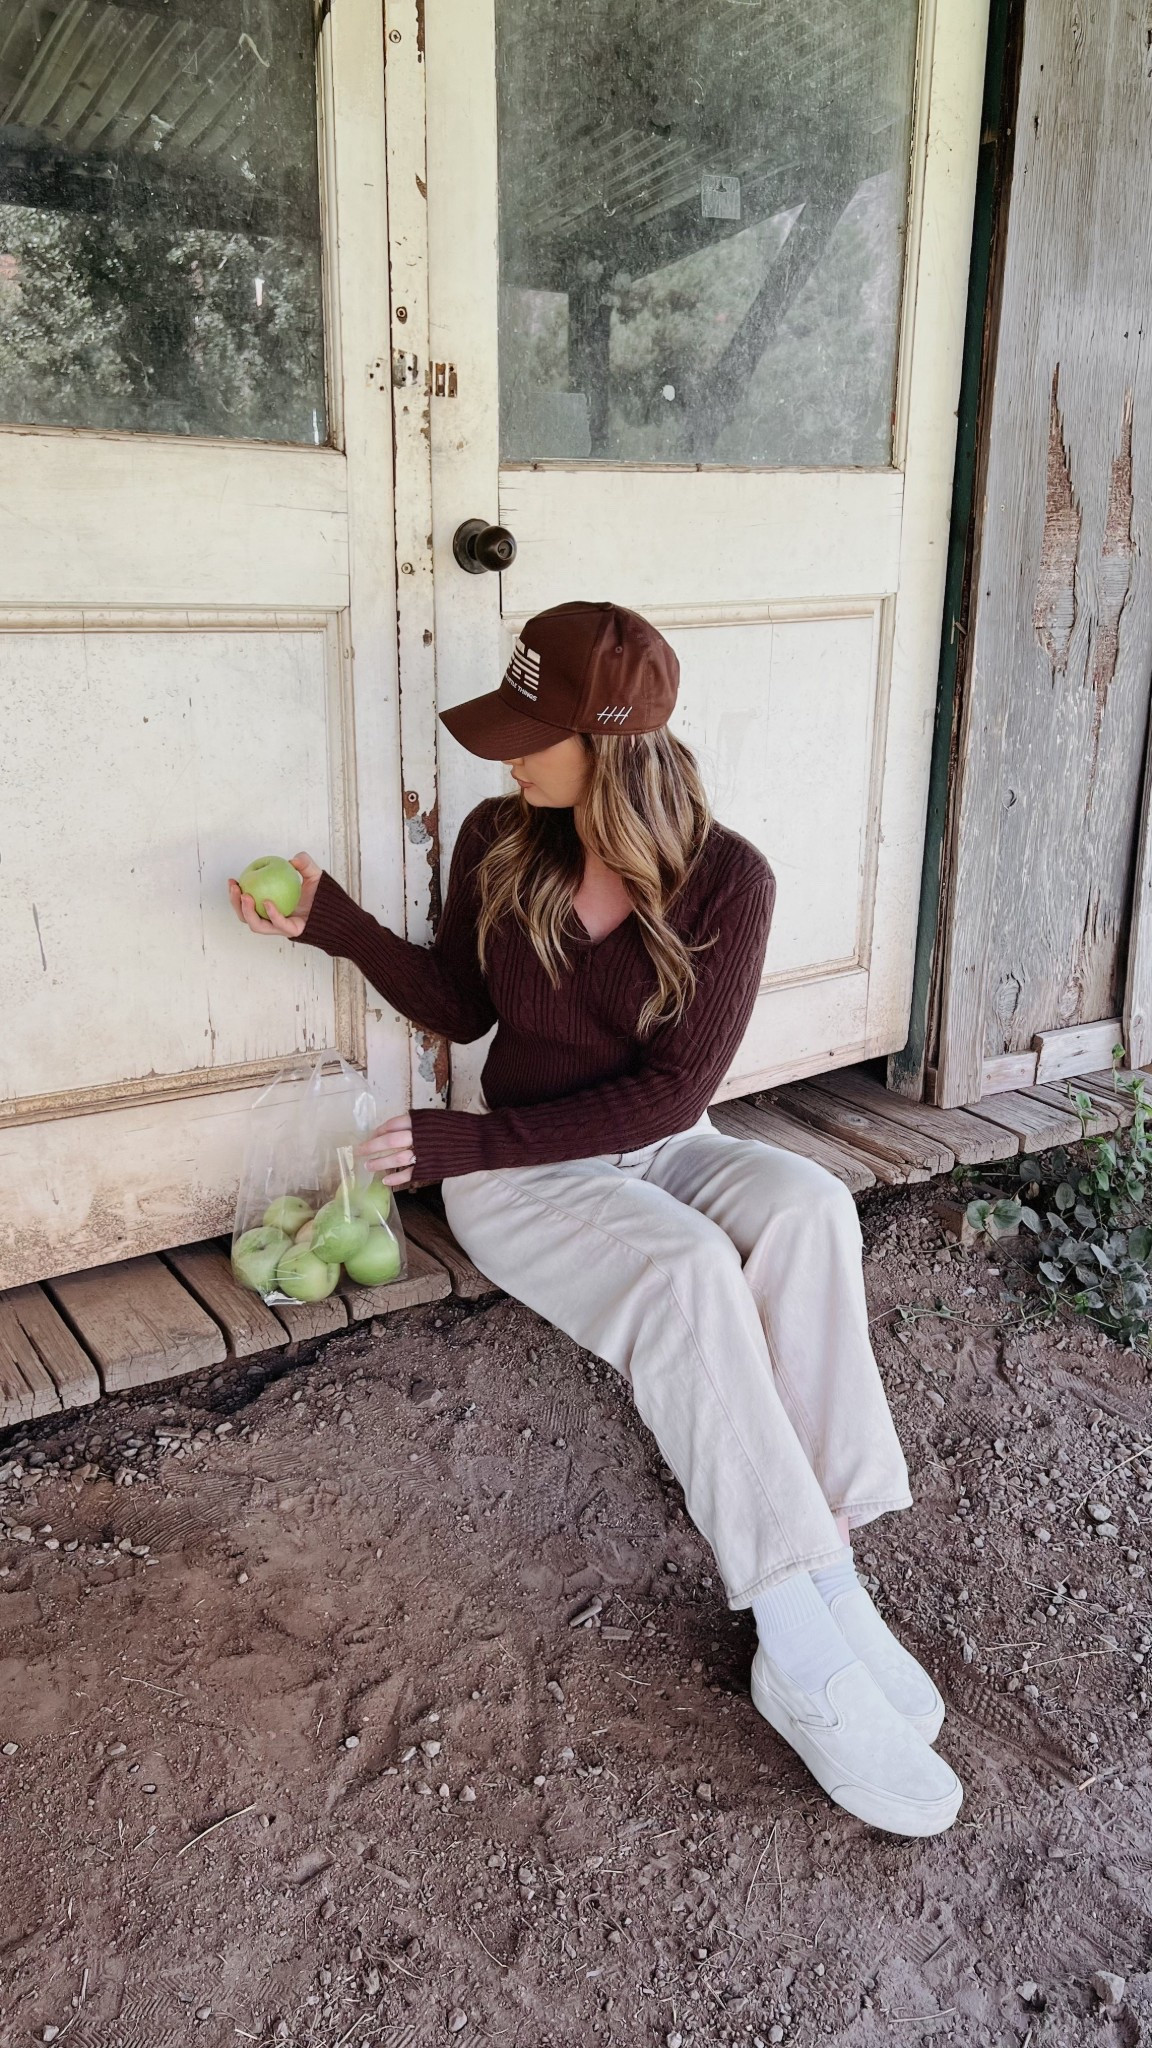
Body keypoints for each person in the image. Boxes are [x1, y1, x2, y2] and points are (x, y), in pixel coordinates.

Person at [230, 599, 962, 1837]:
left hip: (659, 1140)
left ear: (612, 743)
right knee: (684, 1273)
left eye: (535, 730)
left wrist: (476, 1130)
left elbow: (677, 1090)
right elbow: (462, 1007)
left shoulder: (731, 876)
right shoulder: (499, 837)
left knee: (808, 1208)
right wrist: (340, 926)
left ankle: (829, 1576)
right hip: (524, 1182)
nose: (507, 751)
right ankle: (798, 1629)